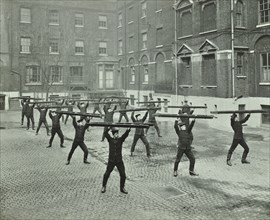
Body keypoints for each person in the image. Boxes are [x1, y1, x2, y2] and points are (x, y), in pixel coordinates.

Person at [101, 127, 131, 194]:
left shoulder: (120, 140)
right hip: (111, 161)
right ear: (113, 134)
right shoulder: (110, 140)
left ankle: (122, 188)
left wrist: (128, 130)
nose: (117, 135)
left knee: (123, 175)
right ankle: (103, 186)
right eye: (116, 134)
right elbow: (105, 133)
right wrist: (108, 128)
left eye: (117, 134)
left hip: (119, 161)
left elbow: (125, 135)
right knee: (106, 174)